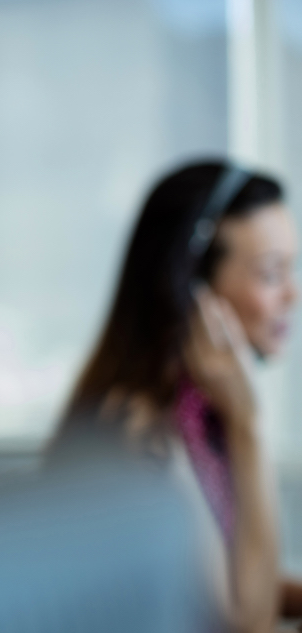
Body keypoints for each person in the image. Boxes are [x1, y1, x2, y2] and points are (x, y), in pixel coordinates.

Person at [50, 161, 299, 632]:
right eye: (271, 274)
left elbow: (228, 572)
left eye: (292, 269)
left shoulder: (201, 411)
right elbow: (248, 620)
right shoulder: (142, 431)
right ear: (192, 287)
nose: (293, 294)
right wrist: (251, 426)